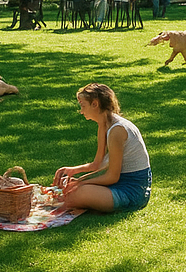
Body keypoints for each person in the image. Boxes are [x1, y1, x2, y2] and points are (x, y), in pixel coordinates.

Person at [53, 83, 152, 213]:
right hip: (117, 185)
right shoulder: (104, 125)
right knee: (70, 190)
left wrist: (80, 184)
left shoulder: (117, 130)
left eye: (83, 106)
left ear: (95, 104)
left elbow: (112, 176)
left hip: (132, 193)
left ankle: (85, 199)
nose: (81, 111)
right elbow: (97, 164)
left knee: (74, 194)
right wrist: (73, 171)